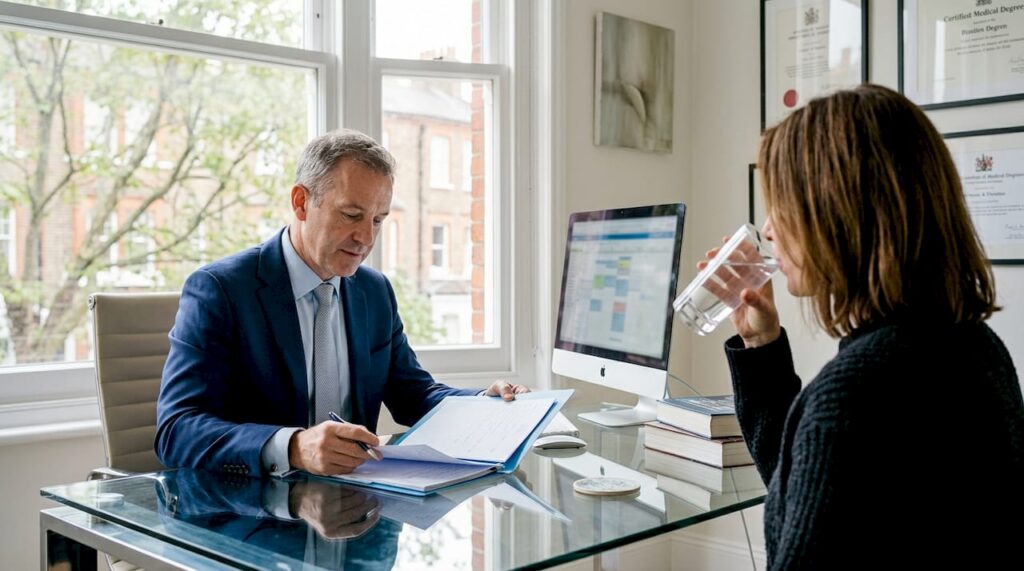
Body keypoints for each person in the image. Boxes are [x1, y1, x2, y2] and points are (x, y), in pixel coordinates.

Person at [702, 84, 1023, 568]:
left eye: (783, 205)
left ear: (838, 212)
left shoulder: (854, 394)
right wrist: (761, 343)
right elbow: (814, 500)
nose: (768, 229)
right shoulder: (976, 346)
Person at [156, 129, 528, 477]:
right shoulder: (221, 290)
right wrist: (293, 447)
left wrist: (483, 403)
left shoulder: (373, 291)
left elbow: (414, 394)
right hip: (252, 516)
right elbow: (177, 430)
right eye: (351, 215)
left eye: (378, 220)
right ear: (301, 202)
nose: (366, 238)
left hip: (356, 511)